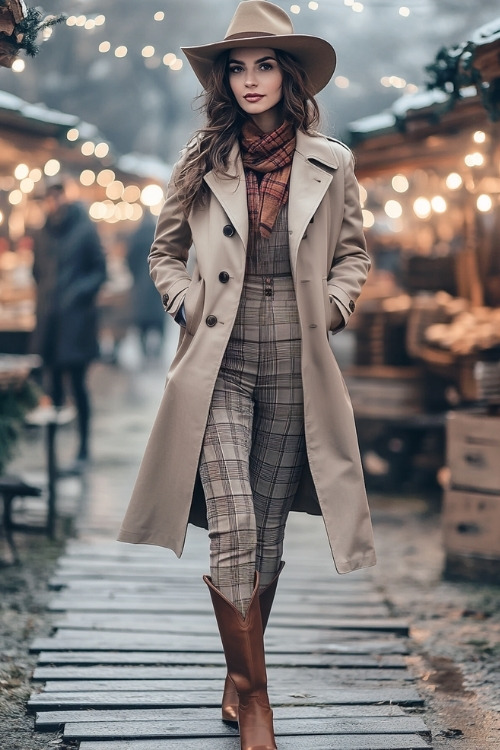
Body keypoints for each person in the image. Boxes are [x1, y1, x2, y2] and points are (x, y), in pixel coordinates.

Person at [118, 2, 376, 748]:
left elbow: (354, 254)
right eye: (238, 66)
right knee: (231, 520)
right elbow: (165, 252)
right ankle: (258, 699)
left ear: (288, 76)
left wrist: (331, 306)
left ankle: (237, 672)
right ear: (223, 79)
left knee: (265, 534)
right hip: (219, 357)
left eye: (265, 65)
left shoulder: (333, 161)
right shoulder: (202, 158)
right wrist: (182, 299)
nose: (251, 79)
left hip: (297, 356)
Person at [31, 178, 107, 473]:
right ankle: (52, 455)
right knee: (52, 389)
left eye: (57, 196)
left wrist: (77, 293)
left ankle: (83, 447)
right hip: (49, 323)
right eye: (49, 198)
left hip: (76, 325)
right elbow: (37, 271)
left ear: (65, 197)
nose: (53, 203)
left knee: (78, 386)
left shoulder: (85, 230)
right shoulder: (41, 233)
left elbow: (99, 272)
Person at [126, 211, 166, 361]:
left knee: (141, 320)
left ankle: (144, 350)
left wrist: (135, 274)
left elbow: (129, 258)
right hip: (157, 283)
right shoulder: (159, 234)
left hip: (140, 284)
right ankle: (158, 350)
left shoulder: (136, 235)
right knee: (159, 319)